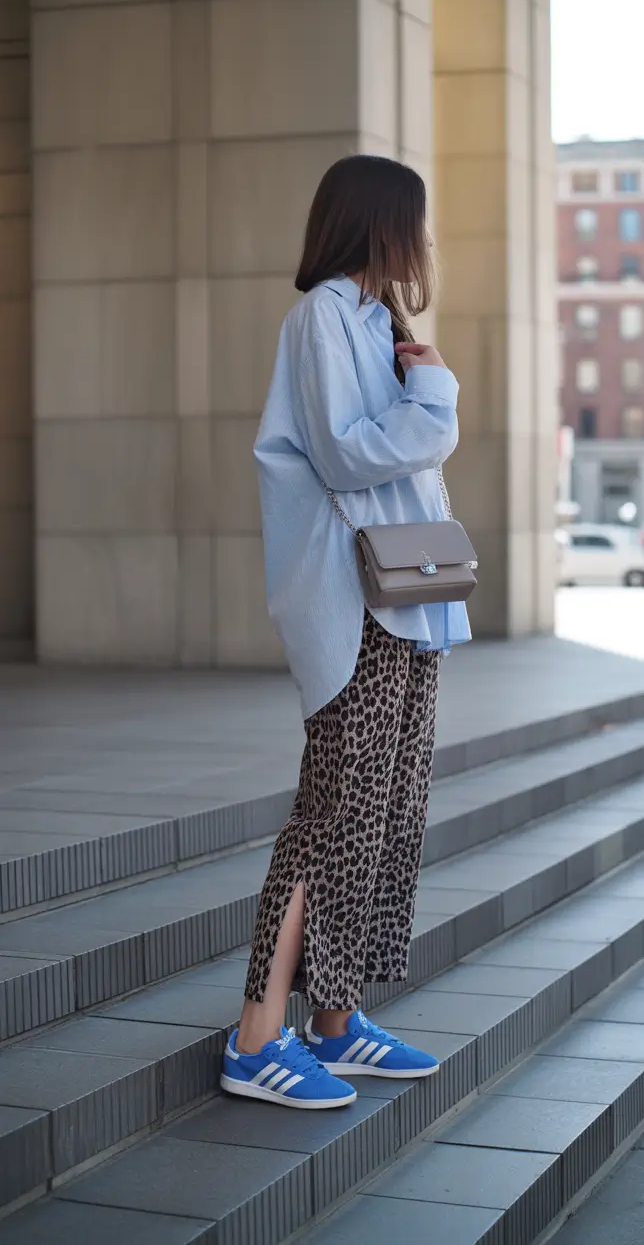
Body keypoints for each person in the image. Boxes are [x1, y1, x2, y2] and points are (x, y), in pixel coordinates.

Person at [220, 154, 471, 1111]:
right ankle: (255, 1040)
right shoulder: (322, 316)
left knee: (387, 812)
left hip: (409, 601)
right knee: (330, 817)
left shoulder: (378, 323)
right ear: (377, 223)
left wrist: (423, 388)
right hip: (357, 603)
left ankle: (336, 1019)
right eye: (415, 222)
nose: (425, 241)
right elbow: (346, 455)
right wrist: (435, 399)